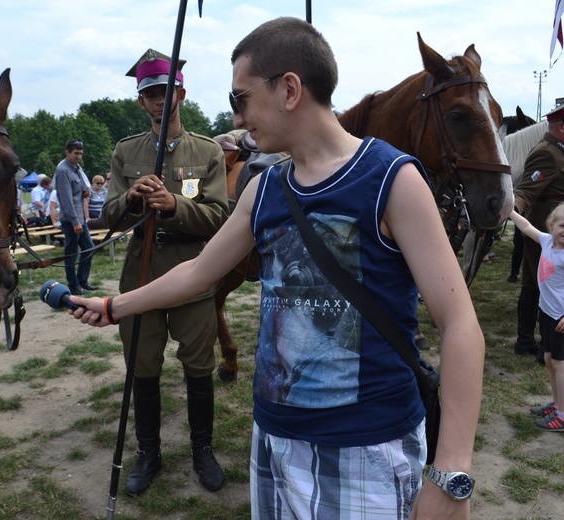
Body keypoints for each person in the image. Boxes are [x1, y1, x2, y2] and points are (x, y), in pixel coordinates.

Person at [70, 19, 482, 519]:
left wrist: (450, 475)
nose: (238, 117)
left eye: (239, 99)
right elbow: (200, 271)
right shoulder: (265, 188)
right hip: (273, 438)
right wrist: (115, 306)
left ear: (289, 89)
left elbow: (460, 324)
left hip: (366, 446)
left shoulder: (391, 177)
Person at [100, 47, 229, 496]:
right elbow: (109, 216)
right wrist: (132, 199)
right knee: (143, 369)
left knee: (198, 366)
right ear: (141, 101)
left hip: (192, 272)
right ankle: (148, 453)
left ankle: (202, 450)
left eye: (166, 92)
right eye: (151, 94)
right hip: (142, 273)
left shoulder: (208, 151)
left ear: (182, 95)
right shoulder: (125, 152)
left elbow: (219, 215)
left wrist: (176, 205)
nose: (159, 100)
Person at [513, 99, 564, 367]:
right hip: (547, 236)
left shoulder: (562, 150)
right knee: (536, 285)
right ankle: (533, 343)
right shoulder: (547, 152)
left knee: (543, 286)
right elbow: (525, 190)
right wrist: (510, 209)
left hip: (563, 235)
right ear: (560, 127)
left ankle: (534, 342)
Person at [510, 203, 564, 431]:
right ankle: (557, 404)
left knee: (560, 363)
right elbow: (525, 226)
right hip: (547, 313)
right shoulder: (547, 240)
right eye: (563, 225)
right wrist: (509, 210)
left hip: (563, 319)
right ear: (551, 225)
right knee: (548, 359)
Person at [54, 139, 96, 294]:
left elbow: (83, 188)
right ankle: (73, 285)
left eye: (81, 153)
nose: (79, 156)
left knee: (89, 248)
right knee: (72, 253)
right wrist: (75, 222)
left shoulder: (76, 168)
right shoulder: (63, 170)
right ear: (67, 152)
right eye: (76, 153)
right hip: (71, 220)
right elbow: (65, 199)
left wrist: (86, 191)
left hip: (80, 218)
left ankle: (82, 281)